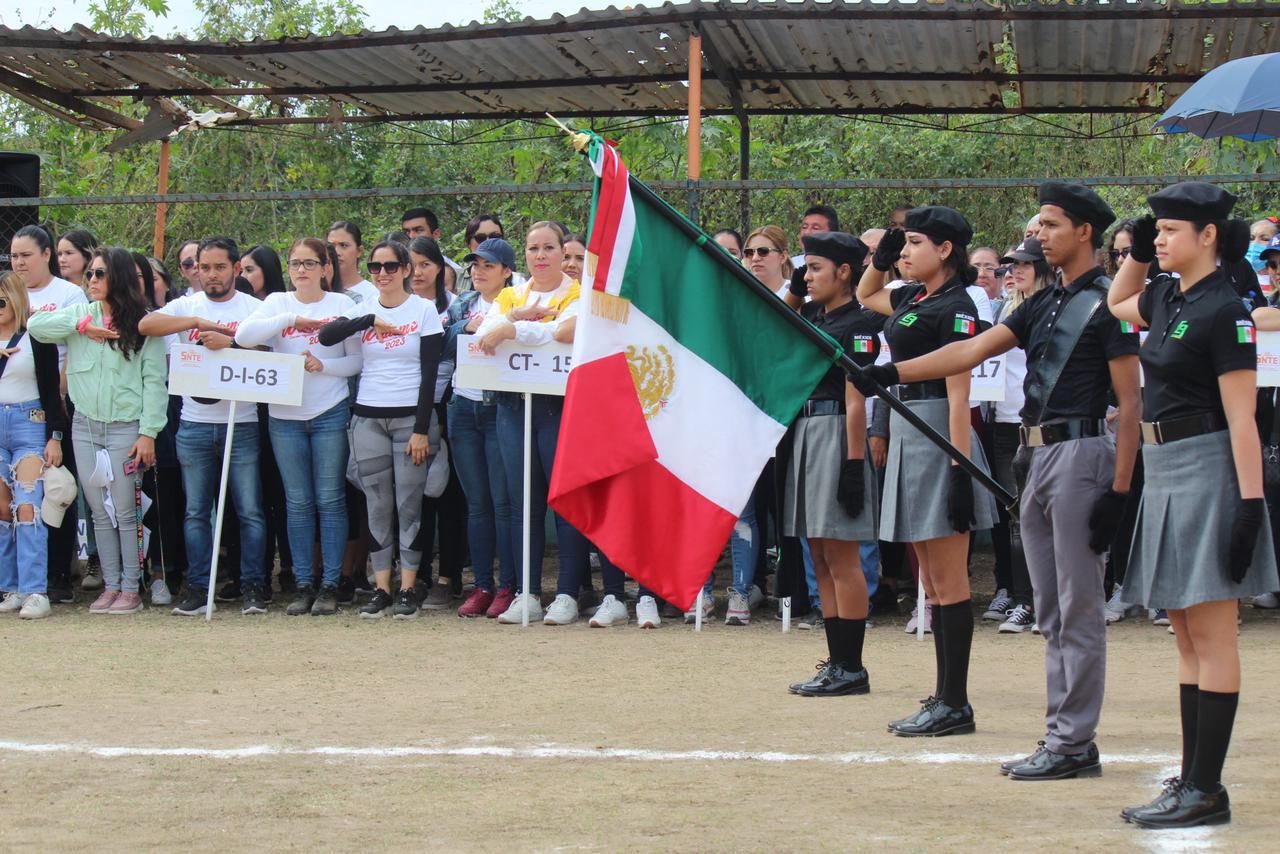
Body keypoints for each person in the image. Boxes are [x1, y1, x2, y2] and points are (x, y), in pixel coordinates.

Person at [862, 185, 1142, 776]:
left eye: (1049, 223)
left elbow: (1131, 401)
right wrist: (889, 371)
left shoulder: (1103, 303)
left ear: (1085, 232)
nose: (1037, 233)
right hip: (1036, 457)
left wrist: (1120, 489)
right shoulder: (1043, 302)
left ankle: (1072, 742)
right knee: (1052, 610)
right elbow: (969, 352)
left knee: (1077, 607)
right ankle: (1061, 735)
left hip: (1081, 452)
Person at [1107, 182, 1279, 829]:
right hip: (1166, 467)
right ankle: (1193, 780)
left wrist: (1249, 507)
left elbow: (1243, 420)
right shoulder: (1167, 295)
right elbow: (1117, 300)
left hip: (1209, 467)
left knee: (1210, 633)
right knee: (1183, 631)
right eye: (1156, 230)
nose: (1159, 239)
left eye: (1170, 230)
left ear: (1208, 236)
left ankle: (1206, 789)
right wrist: (1140, 249)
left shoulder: (1225, 310)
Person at [854, 206, 998, 738]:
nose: (906, 253)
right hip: (911, 424)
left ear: (945, 249)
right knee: (932, 581)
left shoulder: (958, 306)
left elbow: (959, 389)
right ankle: (943, 697)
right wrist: (883, 257)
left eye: (915, 243)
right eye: (904, 245)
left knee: (948, 577)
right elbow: (868, 295)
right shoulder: (914, 295)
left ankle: (954, 701)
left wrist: (960, 467)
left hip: (939, 428)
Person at [28, 247, 167, 615]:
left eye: (99, 274)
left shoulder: (143, 323)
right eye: (90, 273)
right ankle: (111, 585)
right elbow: (35, 327)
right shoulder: (79, 314)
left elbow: (155, 382)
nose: (91, 280)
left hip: (126, 428)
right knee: (98, 512)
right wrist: (80, 327)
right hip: (85, 425)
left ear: (118, 277)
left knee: (125, 510)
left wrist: (148, 432)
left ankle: (131, 588)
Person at [136, 237, 268, 616]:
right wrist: (194, 322)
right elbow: (146, 323)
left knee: (250, 510)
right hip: (193, 424)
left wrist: (230, 342)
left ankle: (254, 586)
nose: (210, 274)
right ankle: (197, 587)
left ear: (235, 268)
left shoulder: (254, 309)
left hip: (240, 422)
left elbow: (273, 355)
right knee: (196, 512)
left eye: (219, 267)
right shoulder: (186, 306)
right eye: (203, 267)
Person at [473, 221, 596, 625]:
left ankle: (567, 593)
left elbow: (566, 332)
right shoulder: (510, 294)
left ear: (564, 252)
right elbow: (485, 334)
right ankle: (527, 592)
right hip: (512, 406)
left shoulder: (579, 293)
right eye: (532, 249)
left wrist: (515, 327)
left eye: (548, 248)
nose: (540, 256)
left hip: (560, 407)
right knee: (522, 502)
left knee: (565, 502)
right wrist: (521, 318)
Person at [235, 237, 360, 616]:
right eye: (294, 263)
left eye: (310, 263)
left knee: (330, 500)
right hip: (284, 417)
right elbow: (243, 337)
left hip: (329, 411)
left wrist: (324, 366)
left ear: (326, 268)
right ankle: (303, 583)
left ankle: (330, 584)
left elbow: (355, 361)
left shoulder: (342, 305)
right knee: (298, 503)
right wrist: (292, 320)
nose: (301, 270)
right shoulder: (277, 304)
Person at [318, 239, 442, 620]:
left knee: (409, 505)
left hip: (411, 419)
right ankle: (381, 587)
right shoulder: (363, 307)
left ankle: (408, 588)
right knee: (376, 506)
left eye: (391, 266)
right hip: (368, 417)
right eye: (375, 267)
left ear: (406, 269)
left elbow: (429, 374)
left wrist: (422, 429)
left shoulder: (423, 311)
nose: (383, 274)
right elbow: (326, 337)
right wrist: (368, 320)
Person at [779, 232, 881, 695]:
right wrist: (797, 290)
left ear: (844, 272)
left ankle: (852, 666)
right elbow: (776, 322)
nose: (808, 275)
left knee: (842, 555)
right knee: (818, 553)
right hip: (806, 430)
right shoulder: (817, 316)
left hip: (837, 431)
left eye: (815, 267)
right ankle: (837, 660)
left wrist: (853, 463)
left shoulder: (858, 324)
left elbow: (857, 398)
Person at [9, 224, 88, 605]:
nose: (19, 262)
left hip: (58, 401)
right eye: (14, 255)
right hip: (16, 398)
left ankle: (58, 573)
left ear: (46, 255)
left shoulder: (69, 293)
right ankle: (17, 580)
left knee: (55, 489)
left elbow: (73, 347)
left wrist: (56, 394)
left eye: (26, 255)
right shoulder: (10, 292)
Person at [444, 238, 517, 618]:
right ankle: (482, 586)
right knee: (477, 505)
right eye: (474, 264)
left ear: (507, 271)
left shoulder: (520, 302)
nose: (478, 271)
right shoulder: (461, 303)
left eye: (488, 265)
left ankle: (509, 586)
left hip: (498, 408)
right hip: (462, 408)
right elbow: (440, 345)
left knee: (503, 502)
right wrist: (465, 327)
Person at [985, 237, 1053, 635]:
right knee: (1016, 517)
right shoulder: (1004, 310)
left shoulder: (1052, 308)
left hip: (1044, 426)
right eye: (1012, 265)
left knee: (1045, 517)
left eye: (1026, 264)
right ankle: (1022, 598)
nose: (1015, 271)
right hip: (1006, 425)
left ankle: (1043, 600)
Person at [0, 272, 67, 620]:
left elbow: (50, 388)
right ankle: (10, 586)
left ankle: (35, 590)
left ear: (15, 300)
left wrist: (55, 436)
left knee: (28, 505)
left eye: (1, 301)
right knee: (1, 506)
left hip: (30, 422)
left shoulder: (36, 335)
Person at [407, 235, 464, 609]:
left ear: (440, 269)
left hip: (447, 407)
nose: (418, 272)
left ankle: (450, 577)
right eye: (410, 265)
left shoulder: (458, 307)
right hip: (407, 410)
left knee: (449, 497)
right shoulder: (399, 306)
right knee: (416, 496)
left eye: (426, 264)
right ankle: (418, 575)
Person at [327, 221, 378, 305]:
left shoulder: (372, 295)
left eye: (344, 245)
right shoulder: (317, 291)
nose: (336, 252)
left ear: (359, 251)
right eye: (331, 246)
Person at [454, 214, 507, 293]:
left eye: (495, 237)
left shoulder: (518, 282)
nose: (488, 242)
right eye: (480, 238)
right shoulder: (454, 279)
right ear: (468, 243)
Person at [746, 226, 793, 301]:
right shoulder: (741, 296)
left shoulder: (799, 295)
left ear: (783, 256)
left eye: (763, 251)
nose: (755, 258)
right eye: (750, 252)